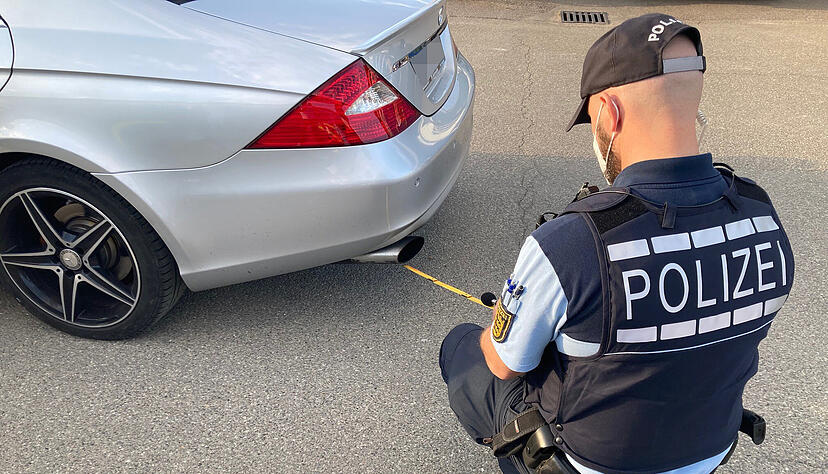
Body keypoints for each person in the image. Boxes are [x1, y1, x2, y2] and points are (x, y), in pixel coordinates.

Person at [439, 13, 795, 474]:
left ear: (609, 111)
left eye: (592, 120)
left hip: (584, 462)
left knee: (463, 346)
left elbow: (504, 364)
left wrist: (503, 321)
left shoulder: (568, 244)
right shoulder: (762, 216)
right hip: (710, 446)